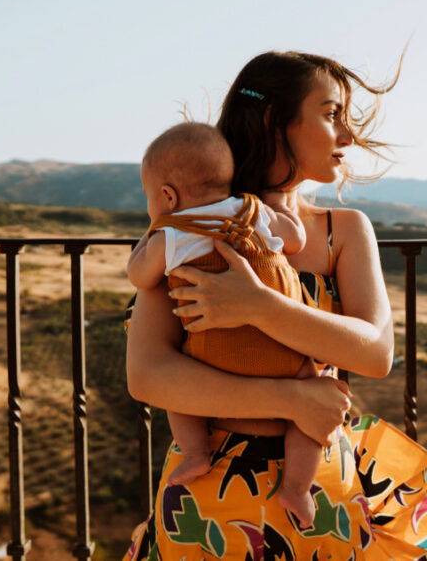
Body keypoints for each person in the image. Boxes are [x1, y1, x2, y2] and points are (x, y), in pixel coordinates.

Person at [124, 51, 427, 560]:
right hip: (210, 502)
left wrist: (259, 306)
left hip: (320, 500)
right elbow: (148, 375)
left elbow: (375, 354)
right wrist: (291, 401)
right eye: (330, 115)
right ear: (272, 120)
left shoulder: (343, 232)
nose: (346, 136)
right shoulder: (199, 223)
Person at [126, 121, 322, 525]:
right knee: (310, 406)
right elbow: (296, 240)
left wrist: (148, 237)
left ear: (167, 195)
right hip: (284, 353)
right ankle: (298, 489)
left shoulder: (174, 233)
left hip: (212, 361)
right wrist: (282, 209)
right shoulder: (253, 211)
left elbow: (141, 277)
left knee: (178, 395)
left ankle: (197, 454)